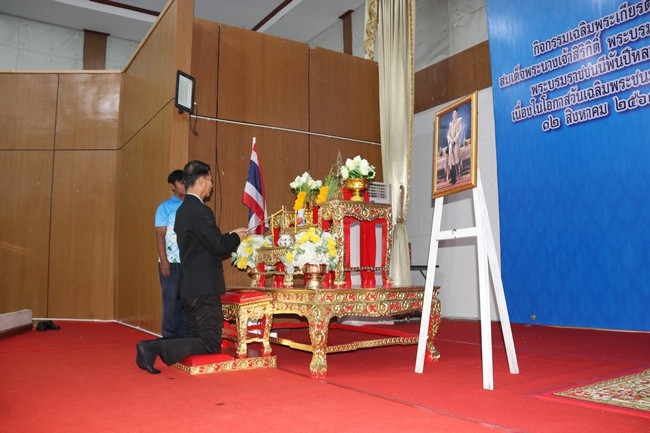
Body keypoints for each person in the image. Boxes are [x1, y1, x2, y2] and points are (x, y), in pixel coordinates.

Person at [136, 160, 249, 374]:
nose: (212, 185)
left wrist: (231, 234)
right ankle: (152, 348)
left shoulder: (183, 210)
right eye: (210, 180)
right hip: (204, 287)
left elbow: (203, 244)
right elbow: (217, 246)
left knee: (196, 335)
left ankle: (153, 348)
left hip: (190, 285)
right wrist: (236, 237)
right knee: (210, 342)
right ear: (201, 181)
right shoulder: (200, 210)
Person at [155, 170, 187, 338]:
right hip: (171, 262)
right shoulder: (165, 207)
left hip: (190, 262)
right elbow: (160, 234)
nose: (184, 185)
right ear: (172, 186)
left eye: (186, 181)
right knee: (170, 302)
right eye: (181, 182)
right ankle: (169, 339)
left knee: (187, 302)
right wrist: (164, 260)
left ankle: (184, 339)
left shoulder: (193, 206)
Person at [446, 109, 463, 184]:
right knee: (451, 160)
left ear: (457, 113)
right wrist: (450, 140)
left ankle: (457, 177)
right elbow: (448, 133)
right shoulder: (450, 124)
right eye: (453, 113)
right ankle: (453, 178)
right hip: (451, 144)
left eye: (455, 113)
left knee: (456, 160)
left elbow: (459, 131)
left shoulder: (459, 122)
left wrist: (454, 140)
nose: (454, 115)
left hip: (455, 143)